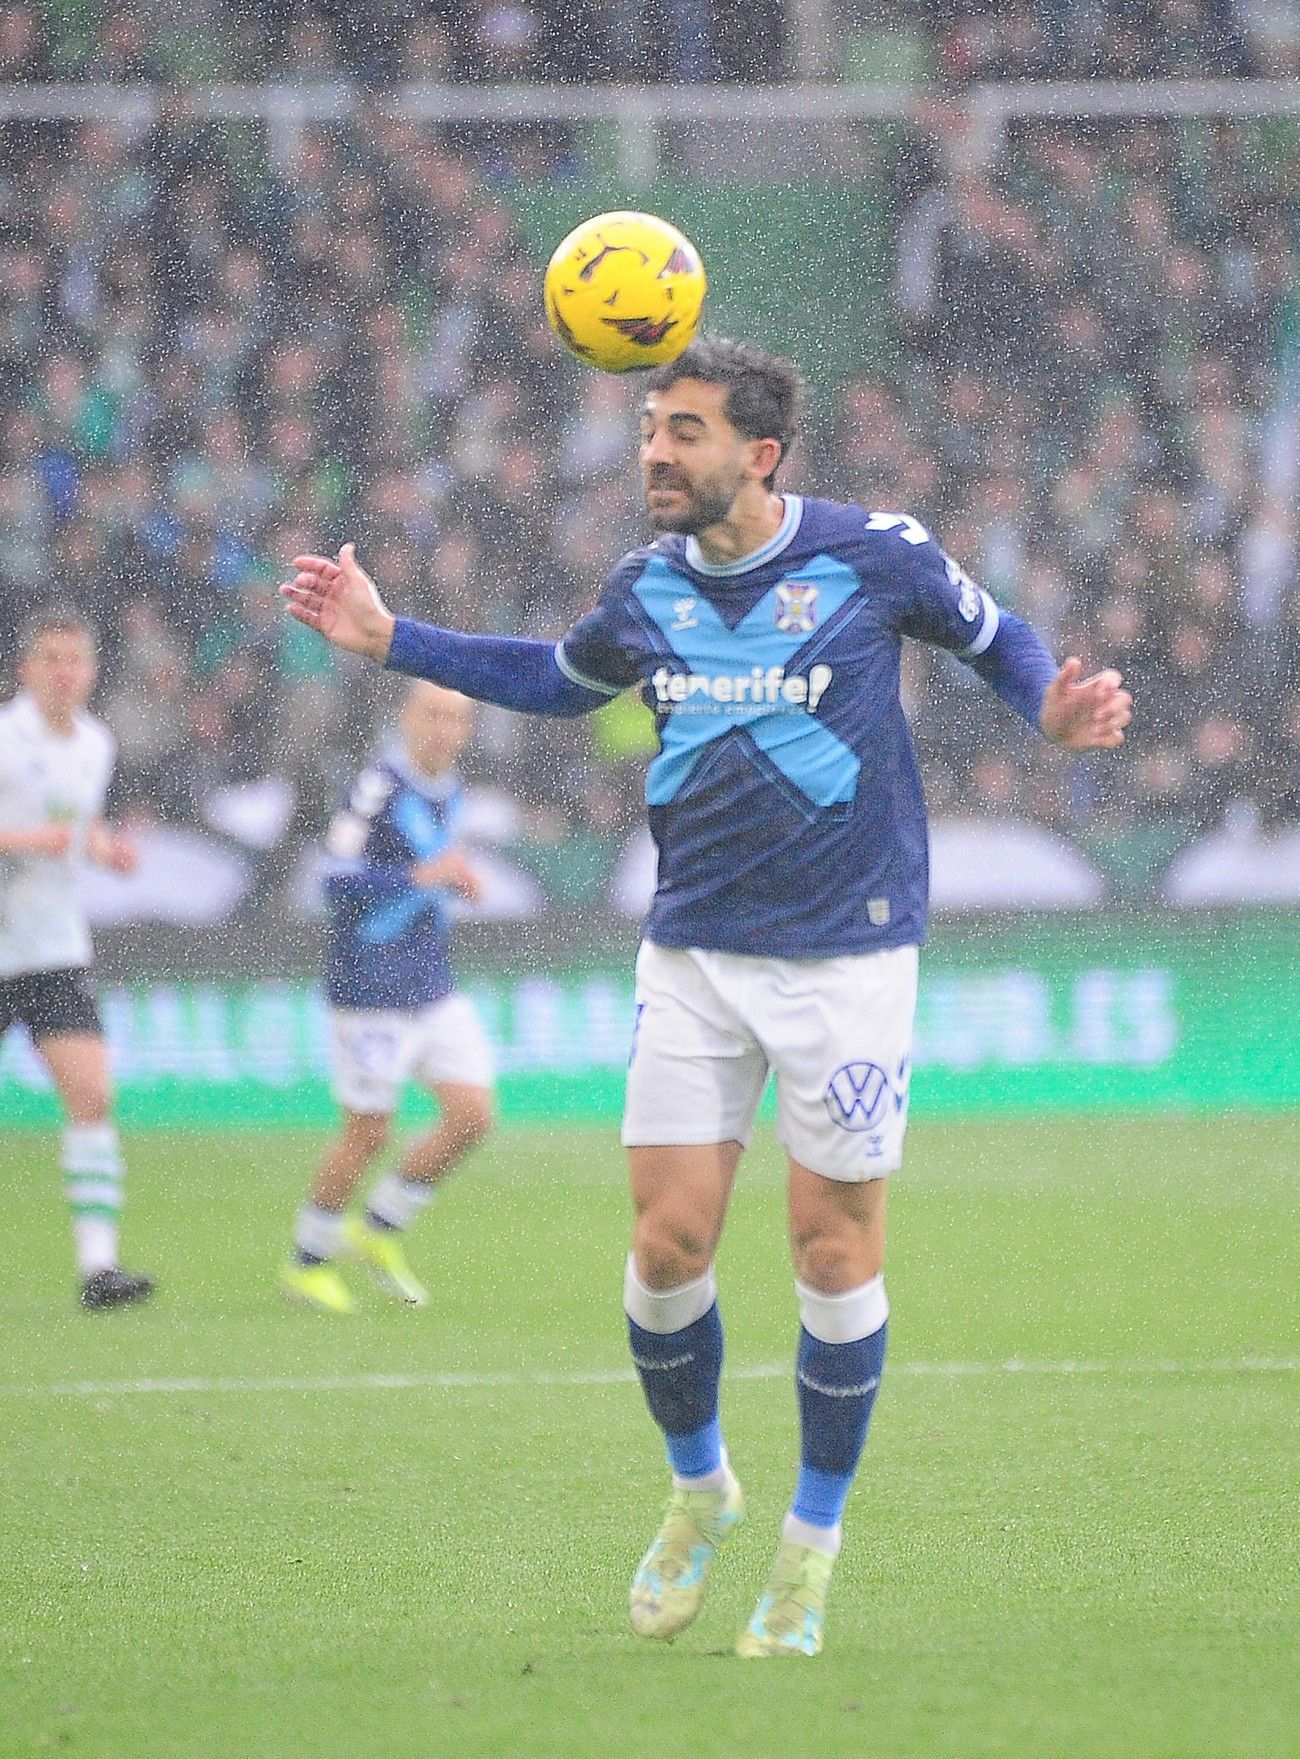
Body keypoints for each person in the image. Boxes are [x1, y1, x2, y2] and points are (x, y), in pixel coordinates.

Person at [280, 338, 1131, 1657]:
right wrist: (394, 640)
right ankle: (700, 1489)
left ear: (762, 454)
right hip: (694, 954)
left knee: (831, 1253)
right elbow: (559, 682)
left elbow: (996, 636)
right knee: (667, 1249)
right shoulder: (646, 586)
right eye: (648, 432)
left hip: (848, 960)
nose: (656, 456)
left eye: (682, 432)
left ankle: (811, 1544)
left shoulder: (873, 552)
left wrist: (1050, 707)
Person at [281, 681, 495, 1313]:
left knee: (473, 1116)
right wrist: (418, 876)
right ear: (406, 718)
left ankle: (377, 1228)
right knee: (368, 1132)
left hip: (431, 984)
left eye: (456, 717)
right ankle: (308, 1260)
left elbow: (429, 874)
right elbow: (332, 874)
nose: (443, 728)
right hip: (370, 990)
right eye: (432, 713)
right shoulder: (376, 787)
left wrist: (453, 884)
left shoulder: (451, 789)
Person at [0, 611, 154, 1309]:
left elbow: (77, 828)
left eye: (76, 660)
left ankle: (100, 1270)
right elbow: (40, 834)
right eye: (51, 659)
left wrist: (104, 851)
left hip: (54, 945)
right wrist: (30, 840)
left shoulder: (96, 743)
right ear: (26, 670)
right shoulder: (5, 738)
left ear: (91, 672)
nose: (64, 673)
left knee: (91, 1095)